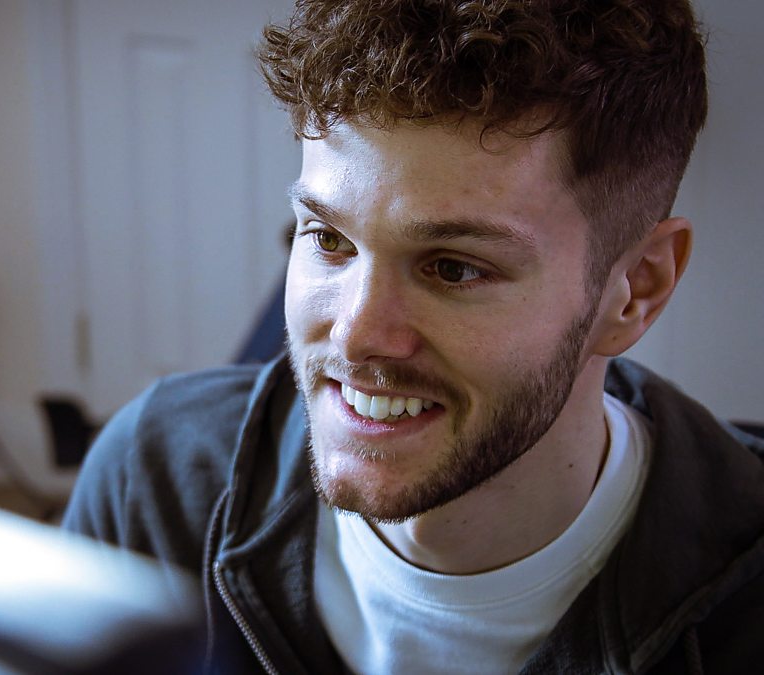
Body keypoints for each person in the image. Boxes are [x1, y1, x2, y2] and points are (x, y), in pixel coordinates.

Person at [62, 1, 764, 672]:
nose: (355, 336)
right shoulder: (153, 485)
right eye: (329, 239)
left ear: (635, 288)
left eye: (454, 268)